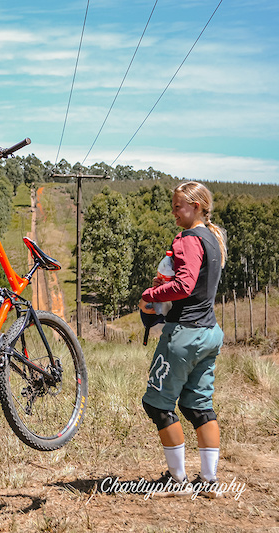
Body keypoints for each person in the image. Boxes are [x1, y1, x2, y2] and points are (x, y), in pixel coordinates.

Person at [138, 181, 227, 498]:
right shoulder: (213, 240)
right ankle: (209, 481)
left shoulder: (189, 239)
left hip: (184, 334)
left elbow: (185, 285)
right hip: (210, 333)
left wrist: (151, 294)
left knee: (157, 405)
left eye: (180, 206)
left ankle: (177, 480)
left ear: (197, 207)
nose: (174, 211)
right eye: (173, 206)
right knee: (199, 406)